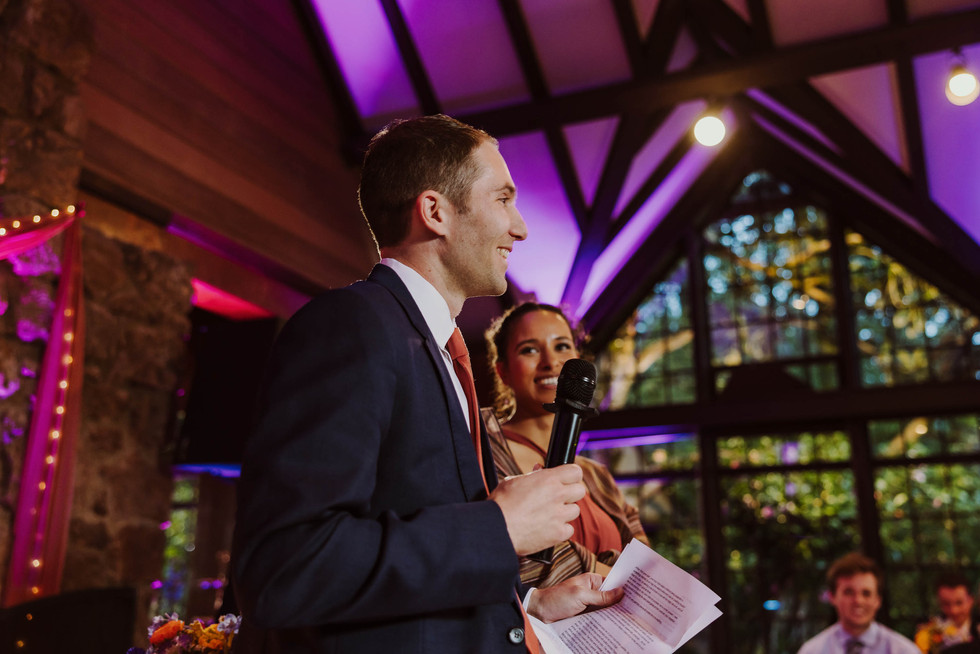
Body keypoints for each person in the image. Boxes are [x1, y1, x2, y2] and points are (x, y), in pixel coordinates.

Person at [230, 114, 623, 653]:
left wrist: (529, 607)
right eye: (502, 200)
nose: (520, 227)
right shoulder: (352, 326)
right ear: (435, 212)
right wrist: (498, 528)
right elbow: (286, 567)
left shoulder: (439, 353)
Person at [482, 302, 650, 588]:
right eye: (529, 349)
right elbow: (518, 557)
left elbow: (645, 566)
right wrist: (618, 579)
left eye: (562, 346)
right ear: (503, 371)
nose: (551, 362)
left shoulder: (597, 475)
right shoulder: (482, 451)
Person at [797, 552, 919, 654]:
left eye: (866, 593)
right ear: (832, 596)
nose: (858, 601)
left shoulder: (904, 651)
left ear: (878, 600)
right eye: (849, 592)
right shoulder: (812, 651)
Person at [914, 572, 979, 654]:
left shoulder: (978, 627)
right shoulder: (929, 628)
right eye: (946, 604)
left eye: (959, 603)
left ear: (971, 600)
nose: (953, 610)